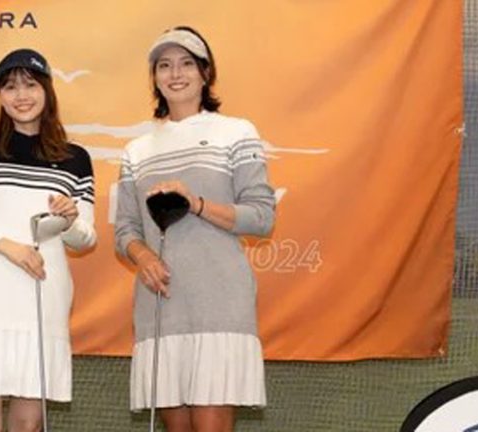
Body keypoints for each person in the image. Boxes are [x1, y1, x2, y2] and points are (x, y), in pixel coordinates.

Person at [114, 27, 276, 432]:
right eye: (164, 65)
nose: (175, 74)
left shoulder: (236, 131)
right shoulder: (137, 150)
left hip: (220, 304)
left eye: (187, 63)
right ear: (154, 77)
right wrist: (143, 256)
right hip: (161, 305)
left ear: (205, 73)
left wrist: (196, 203)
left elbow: (261, 217)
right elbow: (126, 228)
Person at [0, 48, 96, 432]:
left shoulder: (75, 158)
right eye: (10, 87)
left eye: (30, 85)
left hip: (42, 296)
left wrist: (70, 219)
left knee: (28, 425)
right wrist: (6, 246)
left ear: (47, 91)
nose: (21, 95)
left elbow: (85, 239)